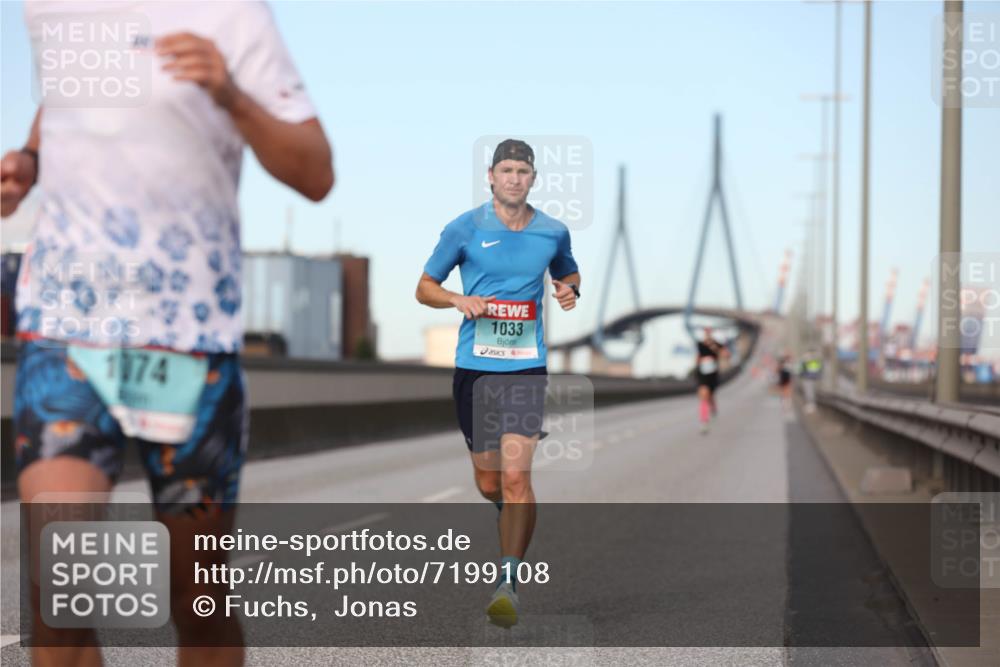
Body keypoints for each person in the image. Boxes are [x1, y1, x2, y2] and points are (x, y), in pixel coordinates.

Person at [1, 2, 333, 665]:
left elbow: (315, 173)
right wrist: (32, 159)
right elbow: (70, 90)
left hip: (189, 342)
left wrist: (231, 94)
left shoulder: (233, 17)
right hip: (67, 333)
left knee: (196, 599)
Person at [415, 139, 580, 627]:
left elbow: (567, 270)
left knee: (516, 478)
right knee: (490, 483)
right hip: (476, 368)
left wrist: (570, 289)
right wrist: (455, 300)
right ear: (491, 176)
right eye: (505, 170)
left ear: (533, 178)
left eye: (522, 171)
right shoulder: (463, 228)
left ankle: (507, 581)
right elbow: (423, 287)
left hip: (526, 368)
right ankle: (509, 514)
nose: (514, 178)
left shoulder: (553, 231)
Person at [695, 326, 729, 434]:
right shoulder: (700, 344)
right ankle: (704, 421)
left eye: (709, 332)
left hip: (713, 373)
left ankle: (713, 407)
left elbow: (726, 355)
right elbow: (698, 357)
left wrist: (714, 346)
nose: (707, 334)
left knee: (710, 396)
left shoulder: (717, 344)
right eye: (705, 332)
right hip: (702, 372)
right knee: (703, 395)